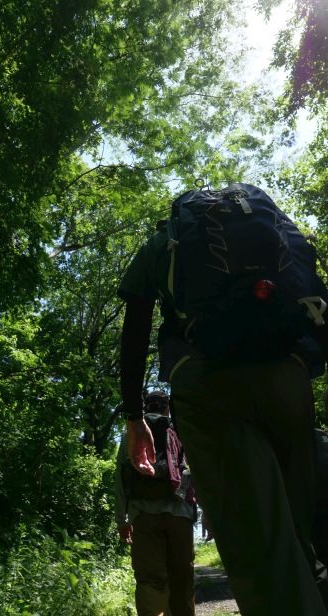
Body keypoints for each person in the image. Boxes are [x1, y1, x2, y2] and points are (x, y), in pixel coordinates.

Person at [118, 183, 328, 616]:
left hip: (206, 384)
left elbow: (136, 323)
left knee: (259, 542)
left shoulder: (167, 240)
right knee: (300, 525)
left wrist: (135, 416)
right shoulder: (277, 231)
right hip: (287, 377)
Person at [115, 390, 196, 616]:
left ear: (145, 407)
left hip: (143, 515)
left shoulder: (131, 434)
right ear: (167, 407)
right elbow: (197, 475)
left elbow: (121, 477)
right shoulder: (181, 433)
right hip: (180, 514)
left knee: (150, 579)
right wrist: (207, 514)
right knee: (182, 579)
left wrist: (121, 520)